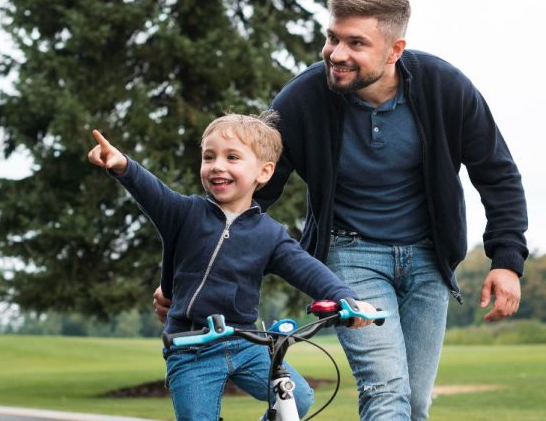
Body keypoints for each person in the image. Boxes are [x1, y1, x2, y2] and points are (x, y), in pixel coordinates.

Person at [153, 0, 528, 421]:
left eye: (356, 43)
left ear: (394, 50)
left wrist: (506, 259)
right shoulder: (301, 100)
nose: (336, 53)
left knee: (414, 403)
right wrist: (192, 272)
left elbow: (496, 172)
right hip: (351, 256)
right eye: (332, 37)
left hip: (429, 259)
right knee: (385, 391)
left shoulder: (446, 89)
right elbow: (250, 193)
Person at [89, 113, 378, 421]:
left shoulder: (270, 235)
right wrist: (121, 164)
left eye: (232, 157)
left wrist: (346, 297)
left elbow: (307, 269)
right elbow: (152, 191)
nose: (217, 166)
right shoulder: (184, 214)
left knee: (299, 399)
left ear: (264, 172)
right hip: (191, 347)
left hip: (246, 343)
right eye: (209, 157)